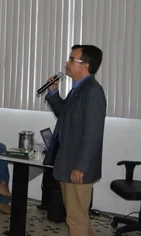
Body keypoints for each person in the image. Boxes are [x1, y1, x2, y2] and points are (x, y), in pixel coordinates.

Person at [45, 44, 106, 236]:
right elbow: (63, 114)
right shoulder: (78, 89)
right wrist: (53, 92)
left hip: (76, 165)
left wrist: (81, 165)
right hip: (68, 161)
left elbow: (93, 133)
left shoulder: (92, 91)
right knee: (79, 217)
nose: (67, 62)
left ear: (85, 65)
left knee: (75, 219)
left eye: (72, 59)